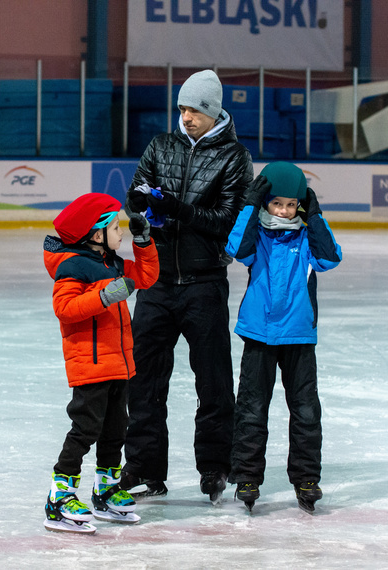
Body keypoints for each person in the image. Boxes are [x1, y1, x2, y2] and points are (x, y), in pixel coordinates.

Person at [121, 69, 252, 503]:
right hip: (156, 284)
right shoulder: (161, 145)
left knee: (212, 382)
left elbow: (226, 222)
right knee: (142, 381)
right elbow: (135, 195)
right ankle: (143, 469)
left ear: (213, 112)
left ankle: (215, 468)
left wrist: (176, 207)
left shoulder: (234, 158)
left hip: (204, 284)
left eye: (194, 109)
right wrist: (139, 204)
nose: (186, 117)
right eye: (182, 108)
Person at [224, 162, 342, 514]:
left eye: (292, 205)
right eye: (277, 204)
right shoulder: (256, 235)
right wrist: (249, 203)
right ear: (266, 203)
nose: (285, 211)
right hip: (259, 334)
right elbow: (237, 249)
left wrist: (316, 216)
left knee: (306, 411)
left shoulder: (307, 237)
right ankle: (247, 477)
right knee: (251, 409)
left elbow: (330, 257)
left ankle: (306, 478)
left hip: (298, 336)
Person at [42, 192, 159, 534]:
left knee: (115, 431)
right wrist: (105, 296)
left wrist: (143, 240)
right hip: (90, 365)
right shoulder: (73, 267)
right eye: (116, 227)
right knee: (85, 430)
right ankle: (59, 497)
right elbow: (65, 309)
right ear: (95, 234)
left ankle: (105, 488)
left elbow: (147, 277)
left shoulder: (111, 263)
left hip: (119, 363)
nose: (120, 232)